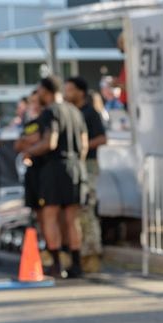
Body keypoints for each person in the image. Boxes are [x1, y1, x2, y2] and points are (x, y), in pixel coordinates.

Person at [22, 76, 88, 279]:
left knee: (50, 216)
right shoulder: (76, 111)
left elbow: (50, 142)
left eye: (40, 91)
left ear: (47, 91)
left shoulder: (50, 112)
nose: (38, 95)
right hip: (76, 167)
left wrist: (29, 152)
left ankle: (57, 265)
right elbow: (84, 144)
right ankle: (76, 265)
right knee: (72, 218)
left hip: (54, 168)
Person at [64, 76, 107, 273]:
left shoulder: (90, 112)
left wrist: (81, 147)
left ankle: (91, 254)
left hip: (88, 165)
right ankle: (78, 253)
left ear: (81, 91)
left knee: (86, 208)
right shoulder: (70, 111)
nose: (67, 93)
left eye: (70, 90)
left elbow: (102, 138)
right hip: (75, 166)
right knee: (75, 210)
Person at [14, 90, 44, 228]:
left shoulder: (47, 120)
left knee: (48, 212)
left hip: (46, 171)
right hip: (32, 171)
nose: (33, 105)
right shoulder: (29, 123)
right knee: (36, 211)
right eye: (31, 102)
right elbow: (18, 145)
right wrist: (29, 141)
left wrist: (30, 143)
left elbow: (42, 140)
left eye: (35, 101)